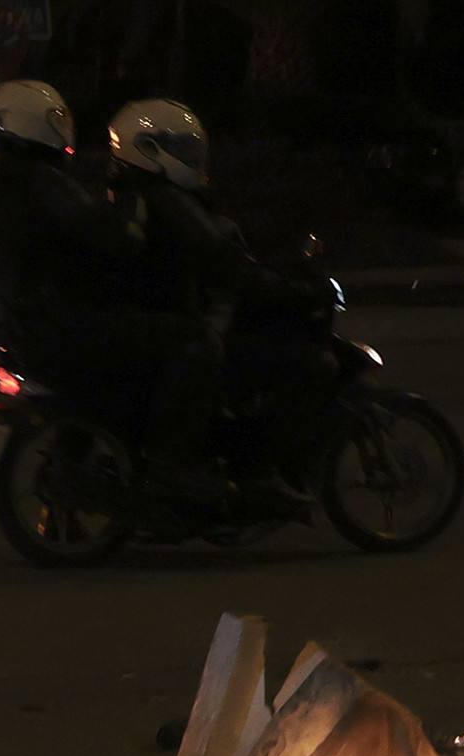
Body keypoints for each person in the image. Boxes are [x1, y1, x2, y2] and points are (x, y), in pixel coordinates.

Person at [0, 79, 226, 498]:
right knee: (193, 341)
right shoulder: (44, 184)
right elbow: (106, 236)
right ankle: (170, 464)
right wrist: (127, 214)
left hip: (15, 329)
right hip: (59, 324)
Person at [104, 98, 335, 480]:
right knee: (304, 363)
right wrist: (290, 290)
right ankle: (256, 470)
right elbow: (224, 263)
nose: (193, 159)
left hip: (164, 318)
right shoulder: (167, 200)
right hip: (182, 321)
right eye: (181, 149)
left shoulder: (131, 193)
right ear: (148, 150)